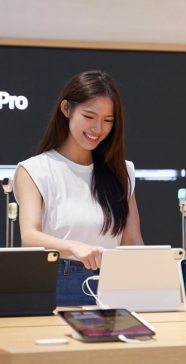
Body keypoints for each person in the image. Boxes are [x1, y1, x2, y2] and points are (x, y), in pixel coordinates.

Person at [14, 70, 143, 306]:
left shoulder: (121, 172)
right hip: (58, 283)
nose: (97, 128)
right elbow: (30, 237)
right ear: (66, 109)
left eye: (107, 121)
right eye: (89, 116)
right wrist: (74, 247)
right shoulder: (34, 170)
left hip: (115, 284)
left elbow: (133, 241)